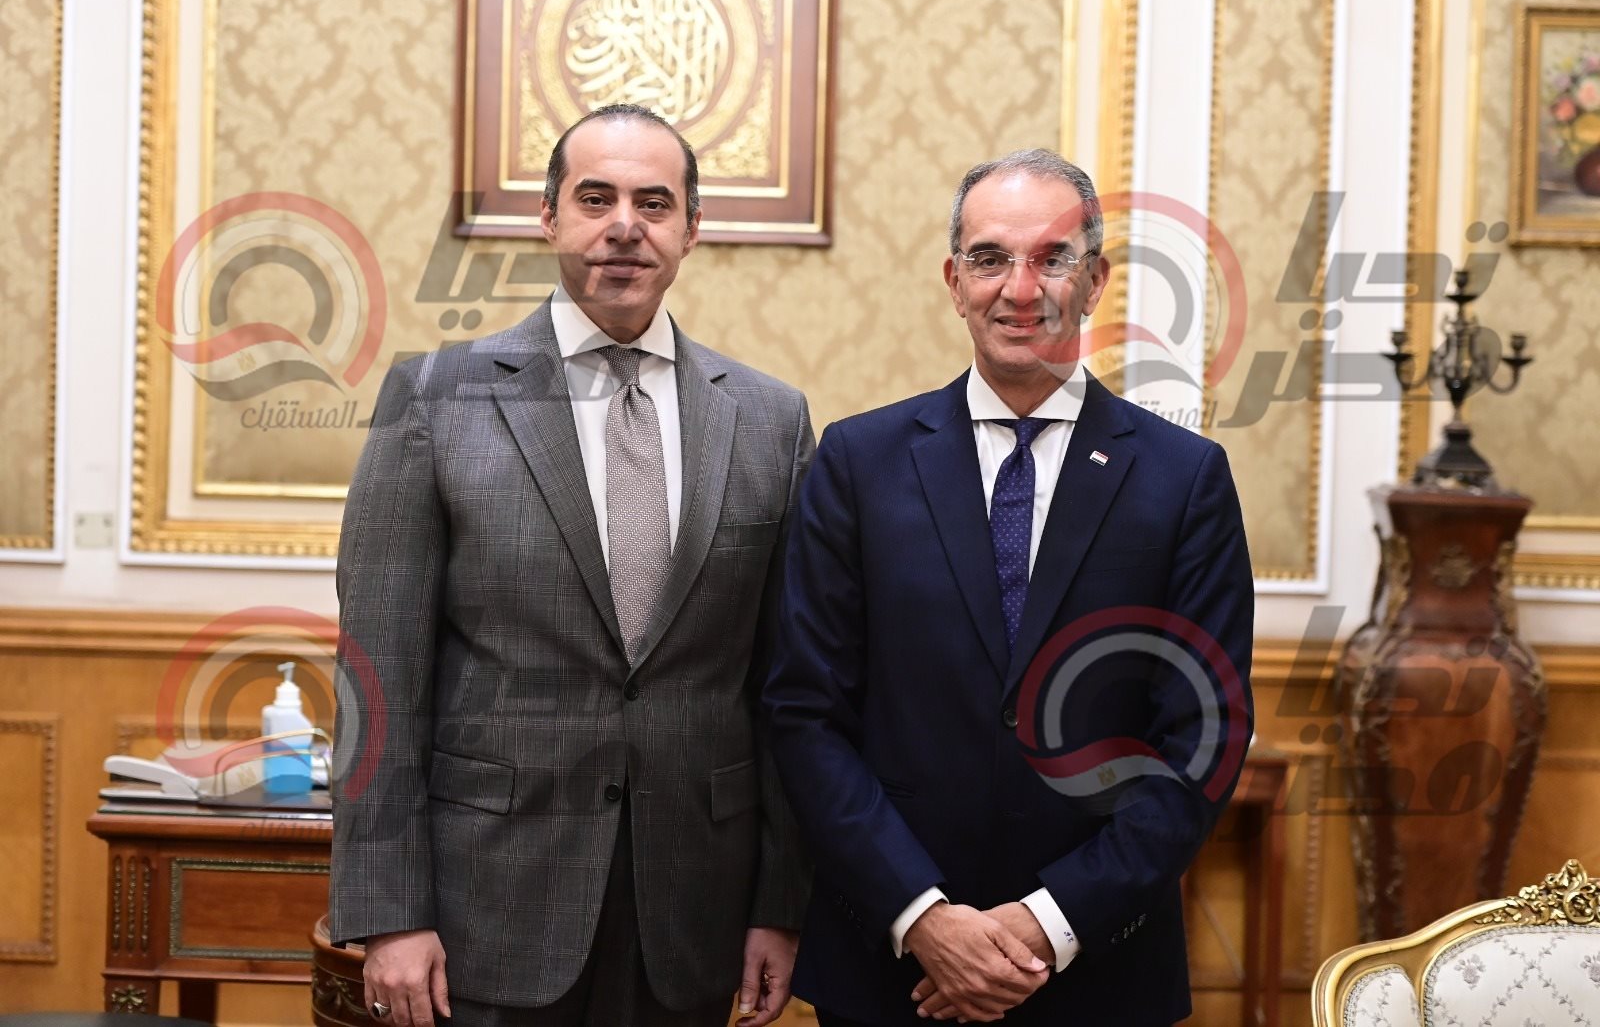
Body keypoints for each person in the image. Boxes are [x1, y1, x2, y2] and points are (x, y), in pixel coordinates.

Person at [330, 104, 813, 1027]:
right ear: (548, 217)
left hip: (694, 912)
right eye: (596, 199)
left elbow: (786, 686)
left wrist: (780, 904)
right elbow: (376, 674)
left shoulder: (770, 420)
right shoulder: (435, 399)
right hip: (485, 909)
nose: (625, 226)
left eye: (654, 203)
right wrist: (390, 913)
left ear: (691, 229)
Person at [763, 149, 1254, 1026]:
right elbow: (805, 711)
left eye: (1053, 258)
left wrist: (1050, 922)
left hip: (1097, 973)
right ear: (955, 282)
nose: (1020, 290)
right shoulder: (858, 463)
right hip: (891, 969)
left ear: (1096, 281)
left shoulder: (1184, 480)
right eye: (990, 258)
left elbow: (1201, 739)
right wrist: (923, 916)